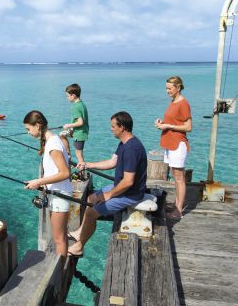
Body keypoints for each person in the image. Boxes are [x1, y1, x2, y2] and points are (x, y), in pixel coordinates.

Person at [68, 111, 147, 257]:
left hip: (131, 194)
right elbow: (112, 162)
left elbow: (128, 181)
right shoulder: (124, 143)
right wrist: (88, 164)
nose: (111, 129)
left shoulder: (131, 149)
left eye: (113, 126)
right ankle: (80, 233)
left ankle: (79, 247)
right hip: (122, 188)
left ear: (122, 127)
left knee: (92, 212)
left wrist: (109, 195)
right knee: (91, 199)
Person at [23, 110, 72, 259]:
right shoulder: (52, 140)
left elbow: (65, 173)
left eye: (28, 129)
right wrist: (43, 184)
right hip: (57, 194)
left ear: (37, 125)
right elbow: (57, 170)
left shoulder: (53, 145)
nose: (28, 132)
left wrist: (39, 181)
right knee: (60, 236)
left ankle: (61, 272)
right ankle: (60, 268)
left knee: (59, 238)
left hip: (60, 196)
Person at [154, 76, 192, 220]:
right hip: (170, 143)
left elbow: (188, 127)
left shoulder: (183, 103)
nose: (167, 91)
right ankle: (176, 204)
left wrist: (168, 126)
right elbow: (174, 122)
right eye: (166, 88)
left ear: (178, 87)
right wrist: (162, 123)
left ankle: (178, 210)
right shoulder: (173, 102)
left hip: (178, 144)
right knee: (176, 178)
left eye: (169, 88)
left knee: (179, 178)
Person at [62, 83, 89, 164]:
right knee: (62, 135)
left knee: (79, 155)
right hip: (80, 132)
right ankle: (68, 156)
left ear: (73, 95)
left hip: (79, 134)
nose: (67, 98)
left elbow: (80, 122)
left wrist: (68, 125)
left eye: (67, 96)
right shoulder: (82, 104)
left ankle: (82, 173)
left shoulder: (75, 107)